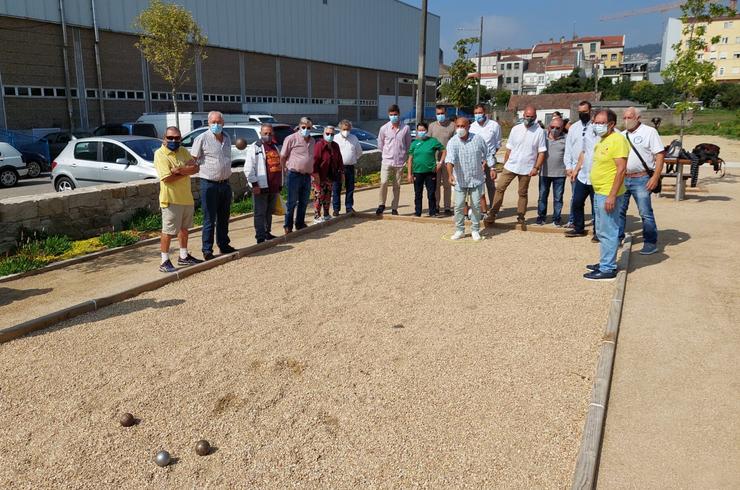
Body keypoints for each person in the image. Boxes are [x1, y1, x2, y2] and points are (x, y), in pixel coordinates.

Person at [584, 109, 629, 281]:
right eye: (596, 122)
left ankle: (608, 268)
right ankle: (605, 261)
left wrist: (611, 195)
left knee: (609, 229)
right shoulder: (604, 139)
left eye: (602, 123)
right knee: (602, 230)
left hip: (609, 193)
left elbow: (621, 169)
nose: (597, 125)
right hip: (600, 191)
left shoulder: (618, 140)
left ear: (611, 124)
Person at [486, 105, 546, 224]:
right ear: (523, 115)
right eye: (527, 116)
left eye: (532, 117)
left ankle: (521, 216)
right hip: (511, 165)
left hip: (527, 168)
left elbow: (542, 152)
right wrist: (505, 163)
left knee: (522, 193)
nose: (529, 118)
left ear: (535, 117)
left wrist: (536, 167)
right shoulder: (515, 129)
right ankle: (492, 214)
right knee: (500, 188)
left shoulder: (540, 132)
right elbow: (509, 149)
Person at [153, 126, 202, 272]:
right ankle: (164, 261)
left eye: (177, 138)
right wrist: (186, 170)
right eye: (170, 138)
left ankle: (183, 256)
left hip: (186, 197)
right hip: (171, 199)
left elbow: (196, 168)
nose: (174, 140)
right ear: (164, 138)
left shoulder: (183, 151)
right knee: (168, 231)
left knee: (184, 229)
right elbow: (167, 178)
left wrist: (179, 170)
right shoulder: (160, 154)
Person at [619, 107, 665, 255]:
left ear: (638, 118)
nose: (626, 120)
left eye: (629, 117)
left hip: (642, 178)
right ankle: (617, 238)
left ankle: (650, 242)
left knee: (645, 212)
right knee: (619, 211)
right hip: (624, 178)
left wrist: (655, 177)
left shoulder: (649, 132)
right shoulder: (622, 135)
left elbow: (659, 154)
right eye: (624, 117)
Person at [191, 111, 236, 260]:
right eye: (213, 122)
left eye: (219, 122)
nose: (216, 125)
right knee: (209, 218)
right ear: (208, 123)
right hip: (209, 184)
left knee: (224, 217)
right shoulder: (202, 138)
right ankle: (207, 249)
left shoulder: (227, 138)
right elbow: (193, 159)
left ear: (223, 123)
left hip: (225, 184)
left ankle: (223, 244)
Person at [445, 116, 491, 241]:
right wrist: (450, 174)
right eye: (458, 126)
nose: (460, 129)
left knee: (476, 205)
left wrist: (489, 165)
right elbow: (449, 160)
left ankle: (475, 229)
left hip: (476, 178)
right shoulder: (453, 142)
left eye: (463, 126)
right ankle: (459, 230)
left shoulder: (477, 139)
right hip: (460, 179)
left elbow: (487, 152)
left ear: (468, 127)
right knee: (459, 205)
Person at [564, 101, 597, 237]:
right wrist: (570, 167)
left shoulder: (595, 127)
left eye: (585, 112)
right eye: (580, 112)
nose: (582, 114)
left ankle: (598, 230)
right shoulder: (573, 128)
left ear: (590, 111)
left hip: (594, 171)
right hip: (578, 171)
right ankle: (578, 227)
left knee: (595, 203)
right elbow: (569, 149)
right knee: (576, 201)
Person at [244, 124, 282, 243]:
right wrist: (255, 185)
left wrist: (280, 183)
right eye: (265, 133)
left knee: (269, 211)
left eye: (270, 133)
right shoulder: (255, 147)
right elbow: (248, 168)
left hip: (274, 186)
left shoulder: (275, 147)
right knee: (260, 213)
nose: (268, 136)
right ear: (261, 133)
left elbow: (280, 166)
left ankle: (267, 232)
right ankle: (260, 236)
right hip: (261, 186)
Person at [281, 116, 315, 234]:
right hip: (294, 174)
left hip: (306, 176)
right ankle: (288, 225)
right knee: (291, 202)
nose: (306, 129)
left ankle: (300, 223)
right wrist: (284, 169)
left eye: (308, 127)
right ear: (299, 126)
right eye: (304, 127)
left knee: (304, 201)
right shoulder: (291, 138)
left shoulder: (312, 141)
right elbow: (283, 156)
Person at [376, 104, 411, 215]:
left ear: (399, 114)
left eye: (395, 114)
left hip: (400, 162)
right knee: (384, 182)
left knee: (397, 186)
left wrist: (404, 156)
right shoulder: (384, 128)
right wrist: (387, 153)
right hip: (387, 160)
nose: (393, 116)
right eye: (391, 115)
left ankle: (394, 207)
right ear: (388, 115)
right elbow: (380, 144)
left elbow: (408, 144)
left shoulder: (406, 128)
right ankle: (381, 204)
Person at [469, 103, 502, 215]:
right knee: (477, 185)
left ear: (485, 113)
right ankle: (480, 208)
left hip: (489, 160)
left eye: (480, 113)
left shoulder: (494, 125)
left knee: (491, 185)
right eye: (476, 113)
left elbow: (497, 144)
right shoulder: (472, 126)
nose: (478, 115)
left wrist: (489, 159)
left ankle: (494, 209)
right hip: (475, 160)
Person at [406, 121, 445, 217]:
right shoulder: (414, 143)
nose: (421, 132)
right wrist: (409, 174)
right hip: (417, 172)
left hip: (430, 172)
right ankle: (417, 212)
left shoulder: (433, 141)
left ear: (427, 130)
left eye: (423, 130)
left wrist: (440, 163)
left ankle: (432, 212)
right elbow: (410, 159)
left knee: (431, 193)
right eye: (419, 130)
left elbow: (444, 150)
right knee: (418, 193)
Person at [537, 116, 567, 226]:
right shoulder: (543, 138)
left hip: (560, 174)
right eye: (552, 127)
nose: (554, 130)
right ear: (549, 127)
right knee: (542, 196)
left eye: (558, 128)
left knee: (558, 198)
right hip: (544, 173)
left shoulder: (566, 139)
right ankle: (541, 216)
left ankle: (557, 218)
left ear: (562, 128)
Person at [428, 105, 456, 215]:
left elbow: (455, 142)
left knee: (447, 184)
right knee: (435, 185)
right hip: (435, 160)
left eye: (442, 113)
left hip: (448, 160)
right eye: (438, 114)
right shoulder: (432, 126)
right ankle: (436, 206)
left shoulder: (452, 126)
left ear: (446, 113)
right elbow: (429, 142)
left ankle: (447, 207)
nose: (440, 115)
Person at [312, 125, 344, 222]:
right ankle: (317, 216)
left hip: (330, 175)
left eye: (332, 134)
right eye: (327, 134)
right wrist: (315, 174)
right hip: (319, 175)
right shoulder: (319, 145)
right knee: (318, 196)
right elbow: (315, 160)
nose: (330, 135)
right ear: (323, 134)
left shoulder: (335, 145)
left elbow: (339, 160)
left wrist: (341, 172)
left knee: (327, 195)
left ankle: (326, 214)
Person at [332, 119, 363, 215]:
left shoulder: (354, 138)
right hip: (338, 167)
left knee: (350, 188)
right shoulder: (335, 138)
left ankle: (349, 207)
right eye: (344, 129)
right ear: (340, 128)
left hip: (349, 167)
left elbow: (359, 152)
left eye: (348, 129)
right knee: (336, 188)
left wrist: (351, 158)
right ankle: (336, 209)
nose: (346, 131)